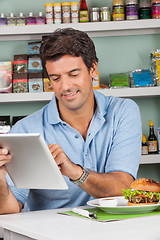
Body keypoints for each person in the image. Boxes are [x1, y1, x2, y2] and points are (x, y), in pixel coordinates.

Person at [0, 28, 142, 214]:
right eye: (56, 78)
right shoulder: (25, 129)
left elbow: (122, 187)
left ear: (92, 68)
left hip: (111, 230)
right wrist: (1, 178)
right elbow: (10, 209)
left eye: (73, 74)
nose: (65, 87)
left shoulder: (123, 112)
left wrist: (75, 172)